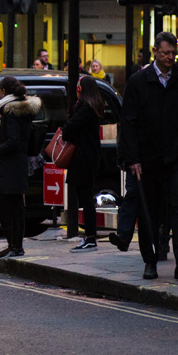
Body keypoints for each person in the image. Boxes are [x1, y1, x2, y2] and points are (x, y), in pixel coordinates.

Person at [119, 31, 178, 281]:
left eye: (173, 53)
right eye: (166, 52)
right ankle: (150, 261)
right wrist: (133, 158)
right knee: (150, 209)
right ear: (155, 51)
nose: (170, 57)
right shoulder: (138, 82)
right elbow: (129, 122)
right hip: (148, 158)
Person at [0, 75, 39, 259]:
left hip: (10, 166)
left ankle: (16, 247)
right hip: (16, 165)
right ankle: (14, 246)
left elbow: (13, 140)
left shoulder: (11, 112)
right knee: (13, 207)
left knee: (10, 208)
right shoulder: (20, 109)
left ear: (3, 91)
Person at [63, 75, 105, 252]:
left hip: (83, 159)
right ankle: (89, 237)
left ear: (81, 89)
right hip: (87, 158)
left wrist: (67, 128)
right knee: (85, 198)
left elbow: (69, 130)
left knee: (86, 199)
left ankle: (90, 238)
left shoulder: (85, 108)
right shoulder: (91, 107)